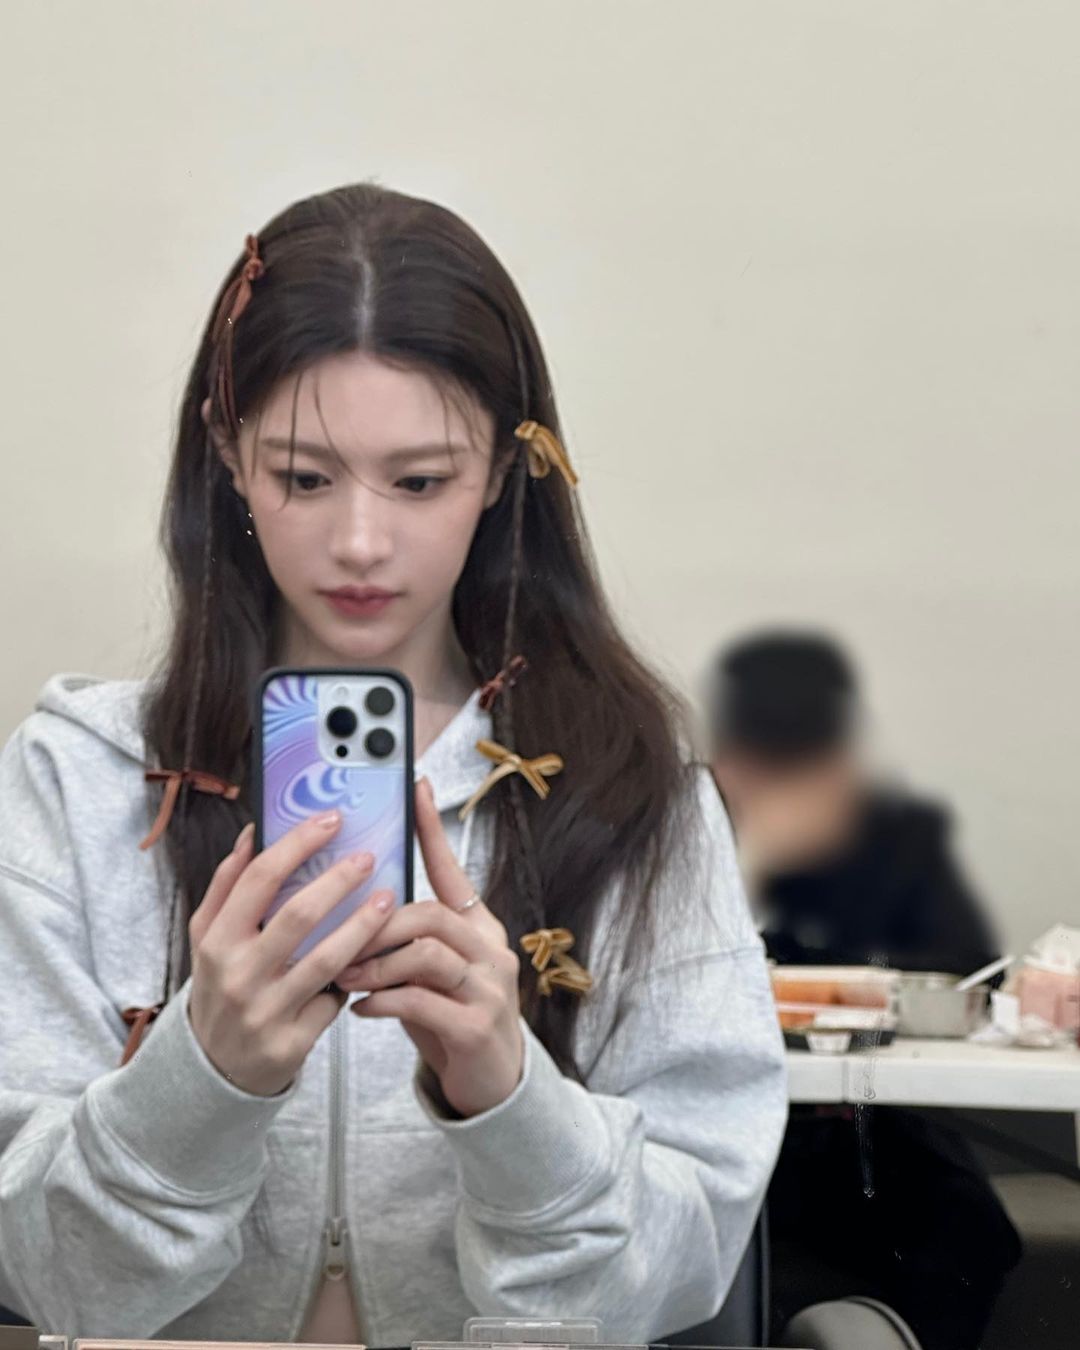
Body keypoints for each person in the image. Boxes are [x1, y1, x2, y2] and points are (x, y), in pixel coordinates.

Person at [0, 184, 786, 1346]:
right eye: (303, 477)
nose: (361, 543)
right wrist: (203, 1075)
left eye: (420, 482)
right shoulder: (79, 780)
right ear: (227, 456)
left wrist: (508, 1095)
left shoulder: (633, 789)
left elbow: (678, 1277)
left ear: (507, 468)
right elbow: (47, 1282)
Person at [710, 628, 1021, 1350]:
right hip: (740, 1132)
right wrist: (749, 865)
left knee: (968, 1224)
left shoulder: (895, 837)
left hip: (878, 1134)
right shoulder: (684, 823)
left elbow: (970, 969)